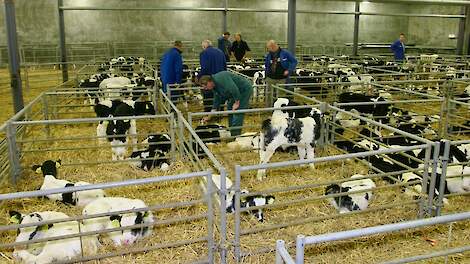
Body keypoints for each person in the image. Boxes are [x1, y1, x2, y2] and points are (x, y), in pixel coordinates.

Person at [199, 71, 253, 136]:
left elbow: (233, 88)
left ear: (210, 82)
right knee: (230, 108)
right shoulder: (214, 87)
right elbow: (216, 102)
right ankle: (231, 131)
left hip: (244, 90)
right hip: (234, 93)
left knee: (237, 111)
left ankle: (235, 135)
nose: (206, 89)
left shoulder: (220, 78)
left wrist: (237, 102)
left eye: (206, 86)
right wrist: (209, 117)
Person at [264, 40, 298, 106]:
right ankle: (269, 108)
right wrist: (266, 74)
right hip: (270, 77)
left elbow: (294, 61)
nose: (268, 49)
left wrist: (289, 70)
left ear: (273, 46)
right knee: (268, 93)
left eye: (268, 48)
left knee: (280, 94)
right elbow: (266, 64)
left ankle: (279, 108)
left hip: (281, 78)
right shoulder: (269, 55)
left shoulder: (285, 53)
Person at [199, 40, 227, 112]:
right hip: (221, 79)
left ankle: (208, 113)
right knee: (219, 96)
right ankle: (219, 113)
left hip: (209, 80)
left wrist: (199, 77)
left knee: (209, 98)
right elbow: (225, 66)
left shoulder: (204, 53)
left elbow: (204, 67)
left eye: (203, 47)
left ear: (204, 46)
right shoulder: (220, 52)